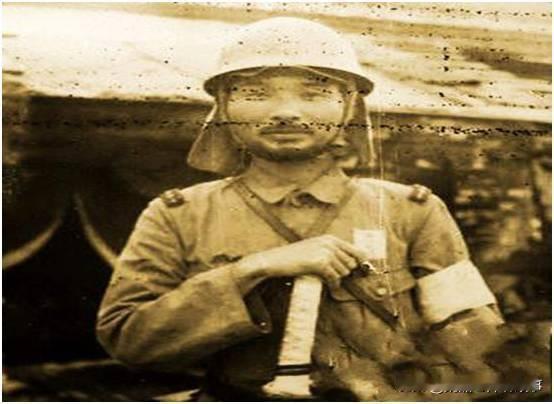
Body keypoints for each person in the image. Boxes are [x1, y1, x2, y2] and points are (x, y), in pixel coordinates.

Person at [96, 17, 505, 401]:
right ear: (223, 107)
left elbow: (478, 348)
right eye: (256, 94)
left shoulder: (411, 211)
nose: (286, 112)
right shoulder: (178, 215)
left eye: (314, 94)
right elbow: (130, 341)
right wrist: (251, 270)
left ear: (349, 107)